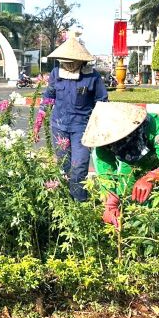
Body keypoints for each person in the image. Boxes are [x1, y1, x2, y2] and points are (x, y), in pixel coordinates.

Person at [81, 102, 159, 228]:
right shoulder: (103, 143)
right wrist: (110, 203)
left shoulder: (155, 127)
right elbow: (106, 177)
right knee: (124, 196)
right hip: (131, 162)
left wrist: (151, 177)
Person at [41, 34, 108, 202]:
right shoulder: (56, 73)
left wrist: (100, 126)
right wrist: (39, 121)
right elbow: (49, 97)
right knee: (63, 166)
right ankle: (64, 202)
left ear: (81, 61)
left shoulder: (92, 77)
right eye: (65, 61)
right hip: (59, 126)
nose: (68, 64)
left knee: (79, 167)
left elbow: (102, 102)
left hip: (82, 129)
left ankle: (79, 202)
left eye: (72, 61)